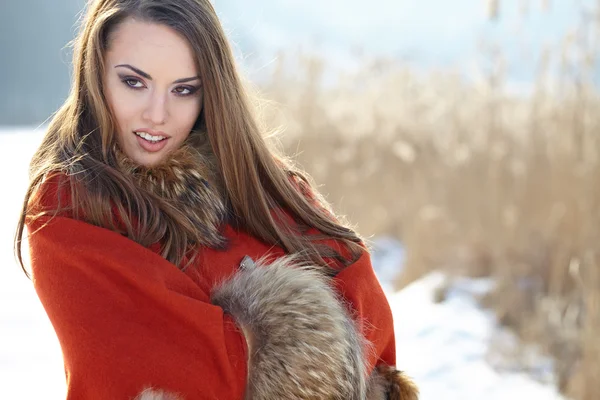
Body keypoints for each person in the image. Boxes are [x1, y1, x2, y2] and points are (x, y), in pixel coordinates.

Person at [14, 0, 419, 399]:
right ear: (95, 75)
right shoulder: (69, 204)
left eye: (184, 90)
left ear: (210, 92)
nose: (158, 114)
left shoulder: (253, 177)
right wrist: (297, 330)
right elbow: (179, 375)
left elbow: (366, 299)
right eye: (133, 82)